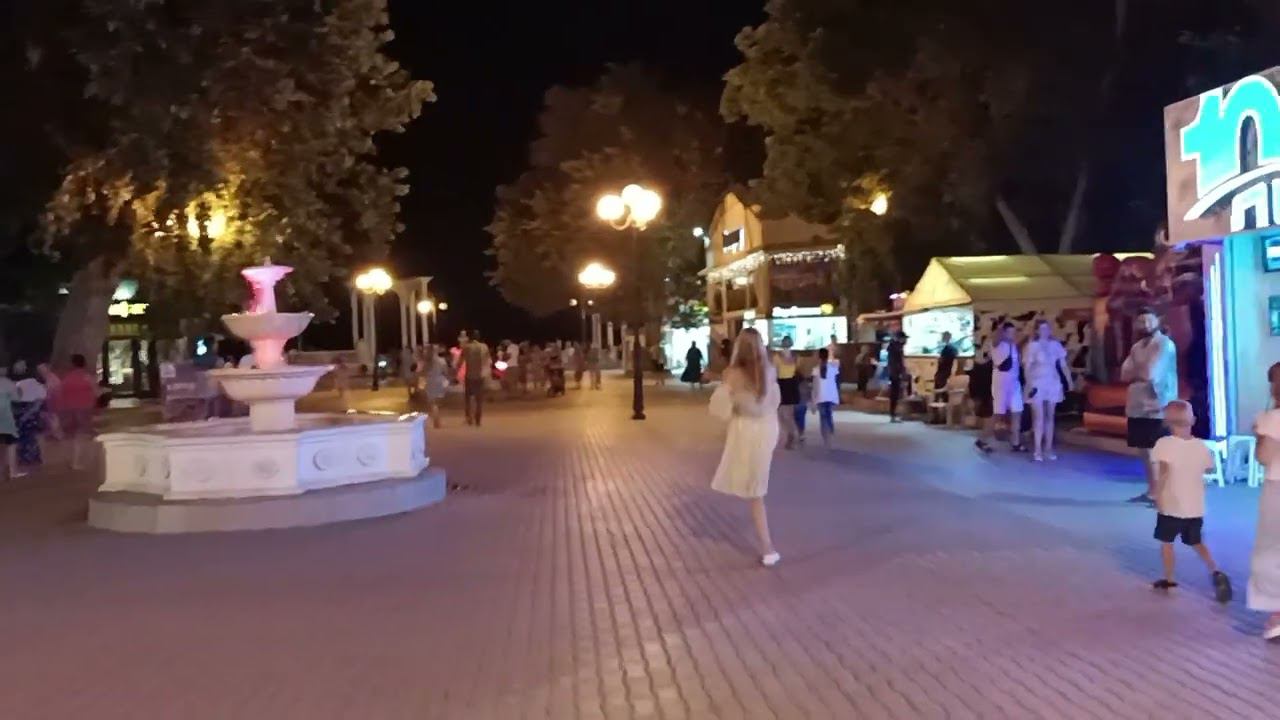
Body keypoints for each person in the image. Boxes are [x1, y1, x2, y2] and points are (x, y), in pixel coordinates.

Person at [709, 328, 781, 567]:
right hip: (767, 429)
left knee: (755, 491)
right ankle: (767, 546)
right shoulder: (769, 370)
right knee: (756, 488)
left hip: (746, 431)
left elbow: (720, 409)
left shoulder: (732, 374)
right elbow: (774, 402)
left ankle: (768, 548)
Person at [1149, 400, 1232, 602]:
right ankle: (1216, 571)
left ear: (1167, 422)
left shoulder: (1164, 444)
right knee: (1196, 541)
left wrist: (1157, 495)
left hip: (1171, 505)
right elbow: (1209, 468)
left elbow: (1164, 473)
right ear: (1192, 420)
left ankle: (1169, 580)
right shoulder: (1200, 446)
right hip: (1195, 506)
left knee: (1167, 543)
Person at [1122, 309, 1179, 506]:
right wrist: (1140, 369)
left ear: (1158, 320)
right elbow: (1124, 374)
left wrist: (1138, 371)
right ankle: (1153, 491)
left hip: (1158, 404)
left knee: (1159, 451)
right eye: (1140, 321)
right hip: (1137, 404)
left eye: (1148, 320)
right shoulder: (1136, 347)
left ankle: (1166, 493)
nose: (1145, 324)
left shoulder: (1164, 344)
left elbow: (1149, 374)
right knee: (1144, 451)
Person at [1251, 362, 1280, 639]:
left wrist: (1259, 436)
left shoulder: (1273, 418)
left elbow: (1264, 457)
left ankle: (1278, 613)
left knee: (1272, 549)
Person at [1023, 320, 1069, 462]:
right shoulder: (1032, 346)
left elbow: (1063, 365)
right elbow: (1027, 367)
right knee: (1039, 417)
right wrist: (1029, 384)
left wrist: (1069, 380)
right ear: (1037, 330)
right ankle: (1037, 450)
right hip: (1037, 383)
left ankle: (1048, 448)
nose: (1045, 331)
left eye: (1047, 329)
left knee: (1050, 416)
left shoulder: (1055, 345)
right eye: (1042, 329)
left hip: (1053, 382)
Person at [57, 354, 99, 470]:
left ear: (72, 364)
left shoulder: (66, 378)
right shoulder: (87, 377)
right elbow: (96, 392)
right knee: (80, 436)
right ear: (84, 364)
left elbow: (60, 393)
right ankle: (76, 462)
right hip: (84, 409)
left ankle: (69, 458)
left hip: (68, 409)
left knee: (70, 435)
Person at [991, 322, 1024, 451]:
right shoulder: (998, 344)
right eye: (1009, 332)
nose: (1012, 334)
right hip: (1001, 383)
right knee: (998, 413)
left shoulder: (1013, 346)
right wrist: (1000, 329)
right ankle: (983, 439)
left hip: (1014, 383)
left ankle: (1016, 442)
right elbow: (995, 340)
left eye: (1013, 332)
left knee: (1017, 410)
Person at [11, 361, 46, 469]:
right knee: (33, 435)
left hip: (20, 413)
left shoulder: (17, 385)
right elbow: (39, 402)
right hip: (33, 414)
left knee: (22, 436)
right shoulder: (38, 385)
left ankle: (24, 458)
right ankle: (34, 457)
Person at [773, 336, 802, 449]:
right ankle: (793, 435)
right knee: (788, 414)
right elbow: (798, 371)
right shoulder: (796, 357)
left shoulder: (777, 357)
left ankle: (791, 435)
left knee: (781, 414)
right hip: (791, 385)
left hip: (782, 385)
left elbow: (775, 373)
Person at [811, 347, 841, 447]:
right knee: (829, 415)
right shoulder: (833, 368)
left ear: (818, 357)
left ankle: (826, 438)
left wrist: (813, 400)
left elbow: (815, 386)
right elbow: (836, 382)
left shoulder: (816, 369)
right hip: (831, 395)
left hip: (821, 396)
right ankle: (831, 434)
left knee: (823, 417)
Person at [969, 347, 996, 453]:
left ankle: (984, 439)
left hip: (985, 391)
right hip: (987, 391)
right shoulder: (986, 363)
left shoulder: (978, 363)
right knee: (990, 416)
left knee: (989, 416)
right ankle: (983, 440)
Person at [461, 331, 490, 426]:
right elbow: (487, 361)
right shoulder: (484, 347)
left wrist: (455, 372)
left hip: (469, 375)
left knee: (468, 399)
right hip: (480, 375)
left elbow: (460, 361)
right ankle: (478, 419)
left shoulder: (466, 347)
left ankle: (469, 418)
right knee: (479, 399)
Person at [421, 345, 449, 429]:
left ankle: (436, 421)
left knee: (433, 403)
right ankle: (437, 421)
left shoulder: (426, 362)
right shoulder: (442, 360)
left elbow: (423, 373)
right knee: (437, 403)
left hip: (430, 382)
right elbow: (446, 371)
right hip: (439, 381)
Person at [0, 367, 18, 479]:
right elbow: (16, 399)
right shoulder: (8, 383)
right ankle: (12, 472)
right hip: (6, 419)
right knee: (11, 444)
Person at [886, 331, 907, 422]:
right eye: (904, 339)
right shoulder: (896, 348)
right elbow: (896, 363)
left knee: (896, 394)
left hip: (894, 373)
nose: (905, 341)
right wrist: (900, 373)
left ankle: (893, 414)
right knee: (894, 394)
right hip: (895, 374)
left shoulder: (895, 347)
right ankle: (893, 414)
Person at [934, 331, 958, 398]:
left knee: (940, 391)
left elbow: (943, 360)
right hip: (947, 372)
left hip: (942, 372)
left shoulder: (946, 348)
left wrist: (940, 360)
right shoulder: (953, 348)